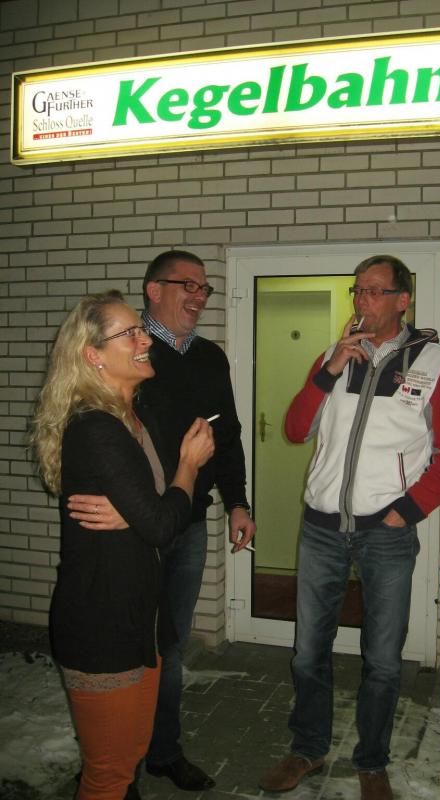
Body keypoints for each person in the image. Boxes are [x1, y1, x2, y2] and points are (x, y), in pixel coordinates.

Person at [258, 255, 440, 800]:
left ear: (403, 300)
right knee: (309, 650)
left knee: (382, 658)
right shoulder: (332, 357)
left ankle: (371, 762)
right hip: (322, 529)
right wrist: (328, 370)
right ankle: (308, 747)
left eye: (375, 291)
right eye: (358, 291)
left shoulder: (435, 365)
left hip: (387, 533)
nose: (362, 300)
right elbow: (295, 428)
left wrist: (408, 509)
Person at [67, 250, 256, 791]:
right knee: (128, 646)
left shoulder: (209, 357)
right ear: (153, 290)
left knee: (167, 644)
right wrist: (129, 507)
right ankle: (112, 764)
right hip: (141, 531)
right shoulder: (129, 360)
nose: (199, 295)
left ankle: (160, 750)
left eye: (205, 288)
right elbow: (97, 446)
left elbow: (227, 435)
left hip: (185, 522)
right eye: (187, 285)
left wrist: (238, 501)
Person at [30, 290, 215, 800]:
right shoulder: (96, 427)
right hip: (102, 624)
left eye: (141, 330)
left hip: (140, 619)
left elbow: (153, 509)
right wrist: (188, 467)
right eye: (129, 333)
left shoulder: (134, 417)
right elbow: (162, 523)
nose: (144, 340)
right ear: (93, 355)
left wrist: (138, 514)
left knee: (130, 756)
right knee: (108, 776)